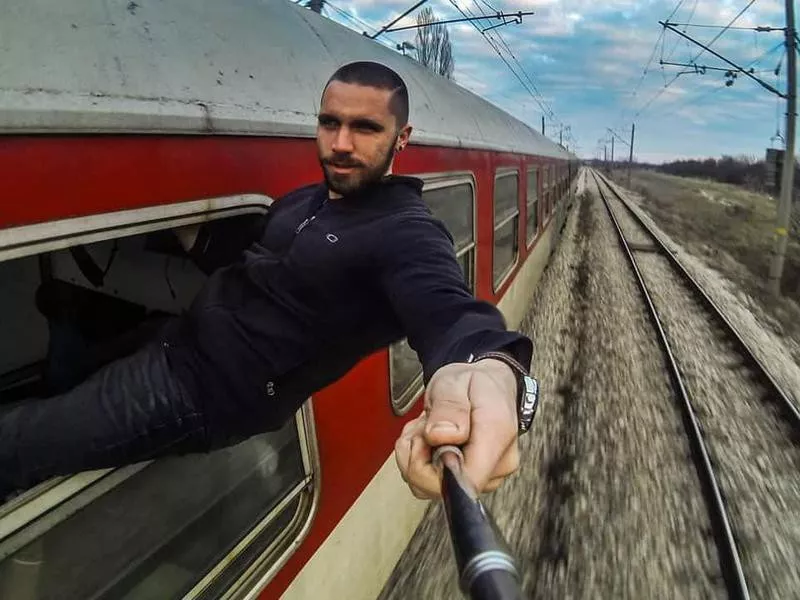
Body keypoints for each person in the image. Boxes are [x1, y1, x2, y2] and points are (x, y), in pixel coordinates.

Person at [0, 61, 534, 502]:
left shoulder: (406, 233)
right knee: (59, 359)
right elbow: (256, 258)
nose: (341, 143)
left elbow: (451, 313)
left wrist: (492, 367)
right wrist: (192, 232)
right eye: (330, 123)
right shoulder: (307, 199)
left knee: (16, 444)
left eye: (366, 128)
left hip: (202, 391)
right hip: (178, 339)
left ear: (403, 138)